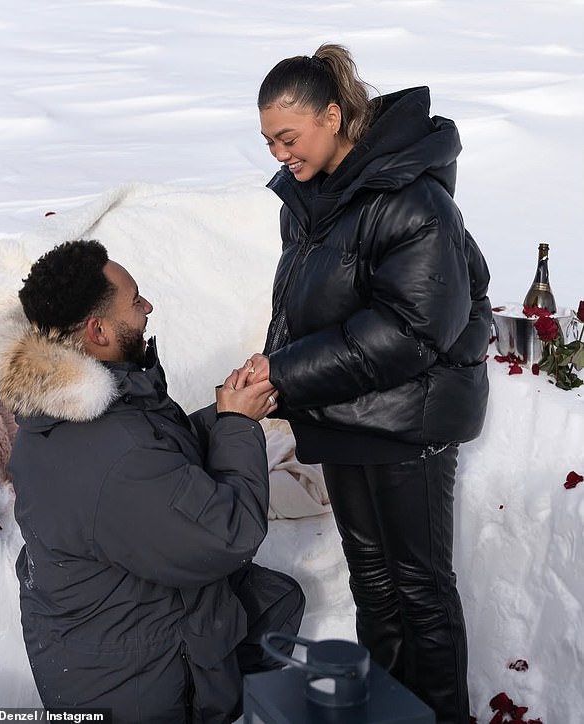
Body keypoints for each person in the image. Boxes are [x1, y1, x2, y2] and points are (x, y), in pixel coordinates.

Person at [244, 44, 491, 723]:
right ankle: (387, 709)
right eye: (268, 141)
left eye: (287, 137)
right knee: (374, 582)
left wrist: (285, 371)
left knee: (418, 586)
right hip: (346, 410)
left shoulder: (412, 199)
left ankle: (441, 715)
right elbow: (303, 299)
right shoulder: (308, 196)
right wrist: (272, 362)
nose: (278, 154)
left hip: (412, 417)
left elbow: (411, 329)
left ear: (332, 115)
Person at [0, 239, 305, 724]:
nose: (148, 307)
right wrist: (239, 428)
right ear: (97, 331)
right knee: (269, 609)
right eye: (134, 301)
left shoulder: (71, 405)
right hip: (137, 688)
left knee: (276, 601)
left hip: (96, 636)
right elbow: (227, 535)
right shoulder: (115, 451)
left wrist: (225, 413)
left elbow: (154, 459)